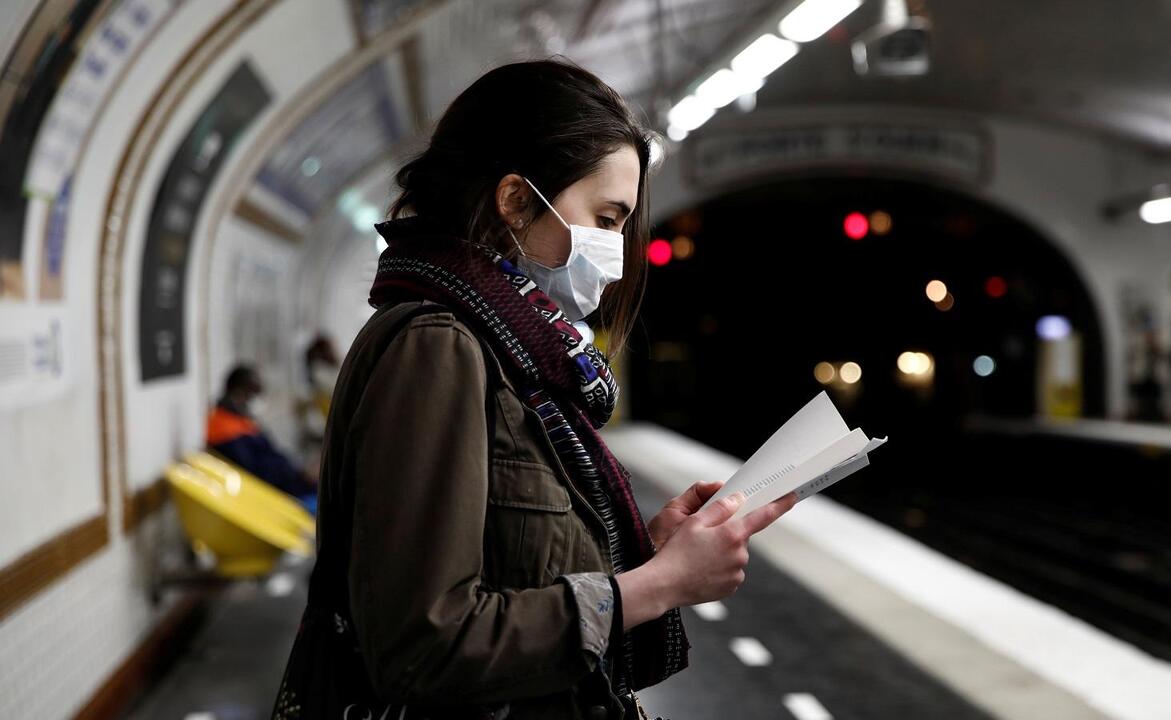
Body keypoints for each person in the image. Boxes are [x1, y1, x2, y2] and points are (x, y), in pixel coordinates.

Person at [273, 59, 795, 720]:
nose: (617, 250)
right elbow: (423, 646)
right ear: (517, 200)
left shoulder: (509, 351)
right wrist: (658, 585)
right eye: (607, 219)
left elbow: (510, 564)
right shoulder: (440, 348)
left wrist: (645, 552)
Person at [206, 364, 318, 514]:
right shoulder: (224, 429)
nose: (257, 400)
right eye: (254, 393)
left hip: (291, 483)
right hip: (280, 495)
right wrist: (301, 477)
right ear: (239, 394)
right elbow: (255, 475)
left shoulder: (239, 420)